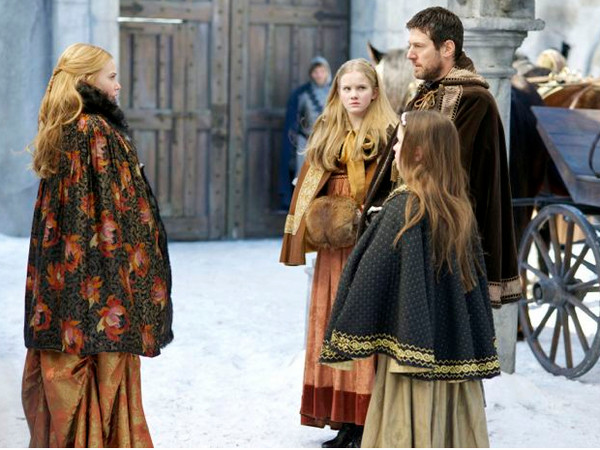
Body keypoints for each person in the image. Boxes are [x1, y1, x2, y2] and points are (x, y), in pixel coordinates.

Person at [22, 43, 173, 447]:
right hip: (97, 284)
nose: (118, 85)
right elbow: (113, 211)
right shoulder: (94, 130)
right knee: (97, 359)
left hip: (65, 284)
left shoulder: (64, 127)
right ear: (88, 80)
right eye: (111, 77)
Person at [321, 110, 500, 447]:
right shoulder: (458, 208)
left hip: (409, 355)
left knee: (404, 427)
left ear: (418, 151)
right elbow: (472, 290)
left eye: (400, 142)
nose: (393, 149)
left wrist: (347, 324)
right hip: (454, 355)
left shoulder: (404, 206)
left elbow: (369, 273)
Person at [361, 6, 520, 308]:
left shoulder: (474, 100)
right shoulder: (426, 94)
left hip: (447, 248)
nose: (410, 54)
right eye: (410, 46)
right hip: (414, 233)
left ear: (447, 48)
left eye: (418, 46)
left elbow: (451, 177)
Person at [280, 58, 397, 447]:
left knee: (366, 325)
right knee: (333, 325)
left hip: (373, 240)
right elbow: (309, 186)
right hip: (335, 246)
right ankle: (343, 417)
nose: (353, 95)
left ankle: (368, 418)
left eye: (361, 88)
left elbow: (397, 185)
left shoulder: (389, 133)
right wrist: (309, 227)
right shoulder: (326, 131)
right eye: (346, 89)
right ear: (337, 93)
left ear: (375, 92)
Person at [279, 56, 332, 209]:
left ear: (327, 72)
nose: (319, 75)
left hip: (328, 143)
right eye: (315, 72)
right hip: (306, 143)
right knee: (302, 180)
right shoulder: (302, 95)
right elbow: (294, 122)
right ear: (311, 74)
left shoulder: (336, 94)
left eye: (322, 71)